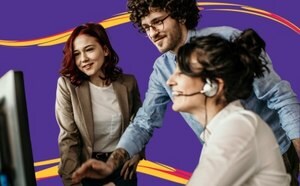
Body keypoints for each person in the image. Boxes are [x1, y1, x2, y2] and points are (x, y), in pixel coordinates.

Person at [72, 0, 300, 185]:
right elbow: (144, 121)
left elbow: (279, 96)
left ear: (179, 14)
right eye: (146, 28)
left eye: (157, 22)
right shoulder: (162, 69)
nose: (152, 34)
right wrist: (113, 163)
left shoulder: (226, 40)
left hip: (275, 153)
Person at [166, 29, 290, 185]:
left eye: (181, 73)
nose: (169, 81)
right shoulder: (219, 131)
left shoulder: (239, 126)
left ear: (212, 85)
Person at [55, 22, 144, 186]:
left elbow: (140, 124)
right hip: (85, 169)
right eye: (76, 54)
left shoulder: (128, 83)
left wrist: (138, 153)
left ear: (105, 50)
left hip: (121, 167)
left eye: (89, 49)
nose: (83, 59)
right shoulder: (67, 86)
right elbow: (69, 138)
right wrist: (71, 182)